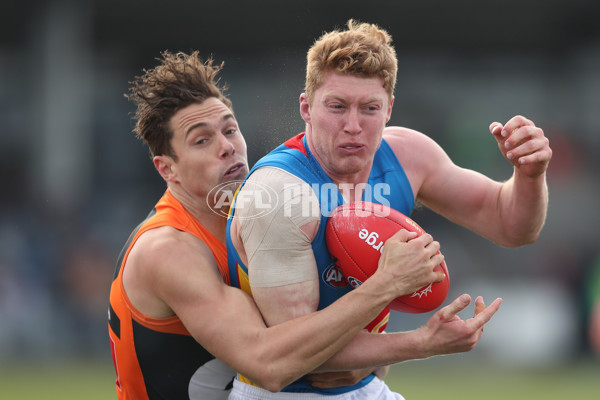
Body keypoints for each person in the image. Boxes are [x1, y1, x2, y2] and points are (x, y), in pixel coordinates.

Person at [107, 50, 497, 400]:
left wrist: (365, 362)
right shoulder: (169, 249)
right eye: (201, 141)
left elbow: (323, 339)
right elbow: (270, 364)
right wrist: (411, 326)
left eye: (229, 130)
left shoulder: (265, 207)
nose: (227, 146)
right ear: (166, 169)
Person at [227, 19, 551, 398]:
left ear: (389, 109)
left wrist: (529, 175)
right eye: (336, 106)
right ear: (306, 107)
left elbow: (511, 225)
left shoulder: (408, 156)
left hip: (368, 387)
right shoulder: (280, 194)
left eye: (369, 108)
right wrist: (418, 337)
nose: (353, 125)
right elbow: (293, 358)